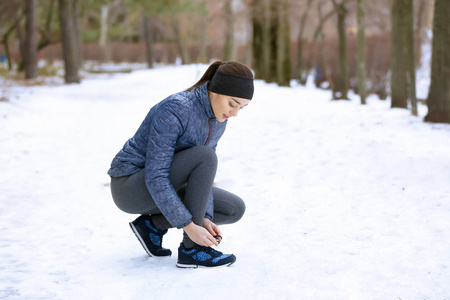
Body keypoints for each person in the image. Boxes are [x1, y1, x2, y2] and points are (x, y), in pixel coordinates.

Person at [108, 60, 254, 268]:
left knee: (233, 209)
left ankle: (151, 226)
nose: (235, 113)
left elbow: (204, 174)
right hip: (130, 187)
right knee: (205, 156)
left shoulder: (218, 119)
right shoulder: (176, 109)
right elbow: (156, 175)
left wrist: (204, 217)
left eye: (242, 107)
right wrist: (189, 227)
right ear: (215, 90)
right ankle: (192, 250)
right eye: (232, 103)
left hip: (166, 184)